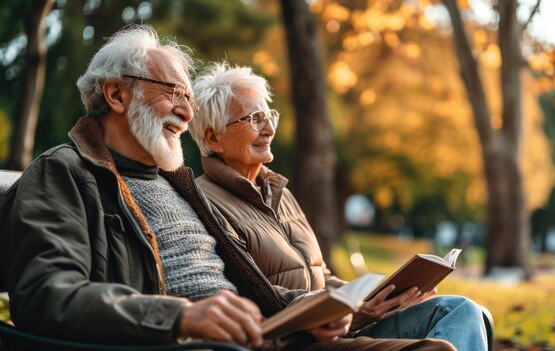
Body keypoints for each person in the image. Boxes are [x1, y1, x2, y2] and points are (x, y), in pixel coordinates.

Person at [0, 25, 456, 351]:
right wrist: (181, 316)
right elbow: (47, 294)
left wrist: (326, 308)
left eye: (188, 97)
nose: (186, 110)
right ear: (117, 95)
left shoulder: (177, 185)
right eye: (172, 92)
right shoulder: (65, 172)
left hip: (266, 337)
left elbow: (258, 292)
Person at [188, 62, 489, 351]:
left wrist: (377, 298)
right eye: (253, 119)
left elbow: (319, 274)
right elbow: (251, 295)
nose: (269, 128)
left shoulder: (278, 191)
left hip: (342, 327)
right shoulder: (207, 203)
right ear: (214, 137)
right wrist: (347, 312)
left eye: (270, 116)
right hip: (297, 340)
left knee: (461, 311)